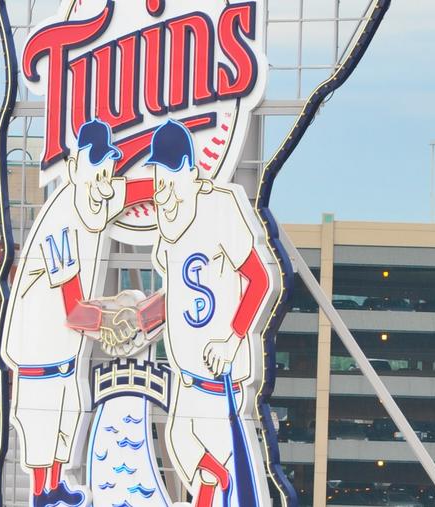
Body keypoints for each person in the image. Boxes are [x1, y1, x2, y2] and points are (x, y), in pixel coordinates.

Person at [0, 119, 153, 507]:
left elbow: (130, 190)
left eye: (108, 168)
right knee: (43, 427)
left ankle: (54, 486)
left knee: (66, 421)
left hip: (62, 352)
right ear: (73, 168)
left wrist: (175, 185)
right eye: (97, 168)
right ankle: (40, 494)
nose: (106, 179)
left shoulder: (93, 196)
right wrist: (116, 321)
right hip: (38, 352)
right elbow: (73, 311)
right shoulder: (60, 223)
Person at [147, 120, 279, 507]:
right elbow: (176, 296)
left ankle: (220, 485)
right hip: (187, 377)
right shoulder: (168, 220)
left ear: (189, 170)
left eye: (169, 172)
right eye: (157, 172)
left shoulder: (218, 206)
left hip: (219, 377)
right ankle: (222, 482)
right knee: (180, 443)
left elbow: (258, 278)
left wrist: (233, 338)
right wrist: (141, 320)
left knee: (204, 462)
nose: (162, 182)